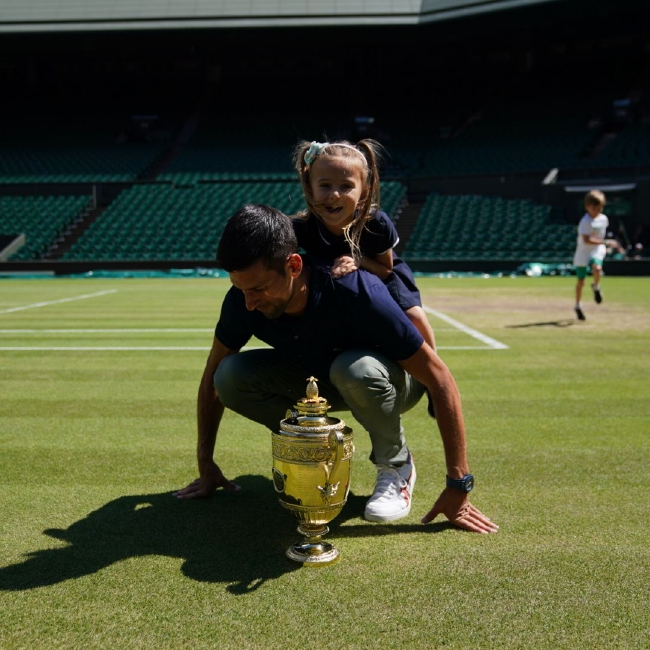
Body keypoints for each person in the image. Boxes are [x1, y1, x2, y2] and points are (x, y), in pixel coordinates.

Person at [175, 204, 497, 534]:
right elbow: (211, 381)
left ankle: (396, 463)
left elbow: (439, 377)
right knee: (229, 377)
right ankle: (319, 449)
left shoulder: (356, 292)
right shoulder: (243, 301)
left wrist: (459, 484)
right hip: (322, 379)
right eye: (240, 288)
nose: (250, 303)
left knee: (353, 369)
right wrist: (205, 462)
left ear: (294, 265)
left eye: (258, 288)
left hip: (394, 379)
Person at [291, 139, 437, 352]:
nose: (334, 194)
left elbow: (386, 271)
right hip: (333, 281)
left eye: (346, 186)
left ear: (365, 192)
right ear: (309, 186)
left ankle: (436, 374)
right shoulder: (301, 228)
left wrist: (359, 261)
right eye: (325, 185)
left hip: (381, 273)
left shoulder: (376, 224)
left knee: (413, 315)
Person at [572, 189, 616, 321]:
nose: (597, 210)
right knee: (581, 281)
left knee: (597, 268)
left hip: (596, 249)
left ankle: (596, 287)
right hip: (583, 251)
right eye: (594, 208)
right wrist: (605, 242)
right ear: (587, 207)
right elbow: (586, 240)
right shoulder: (585, 221)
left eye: (599, 208)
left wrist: (603, 244)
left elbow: (599, 236)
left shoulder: (604, 219)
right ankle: (578, 306)